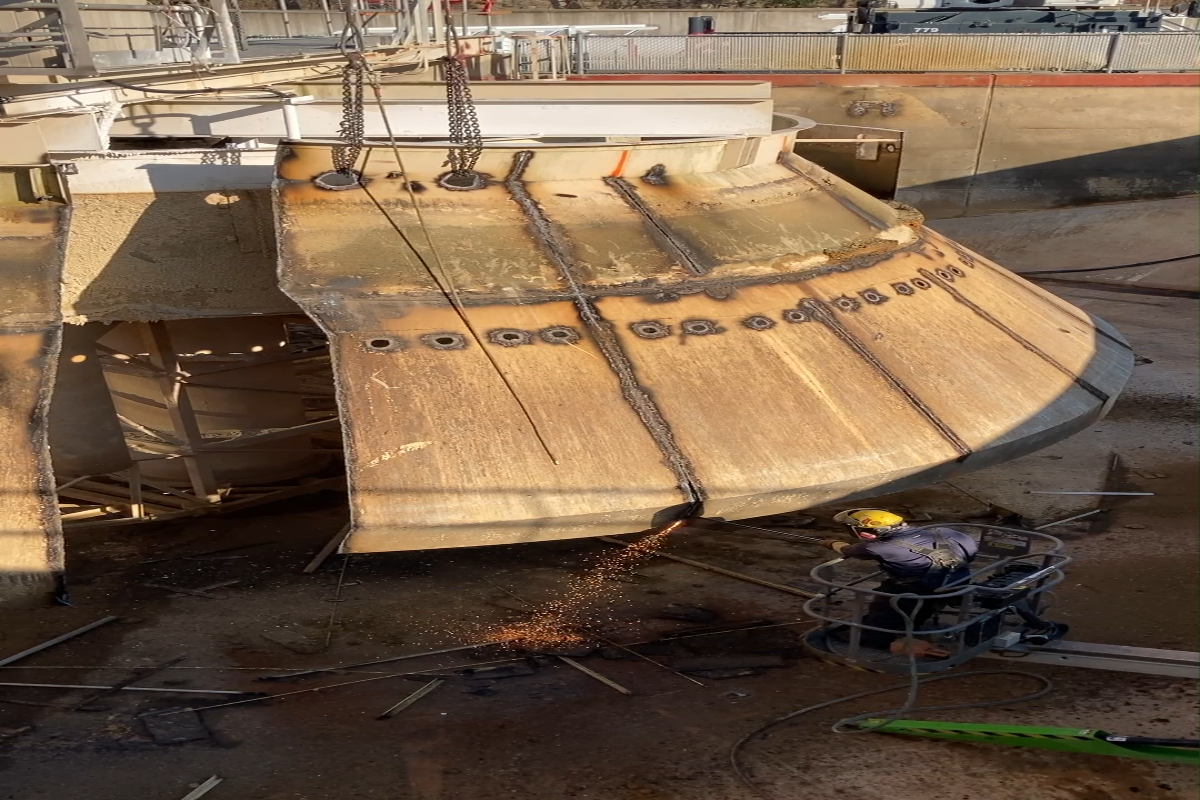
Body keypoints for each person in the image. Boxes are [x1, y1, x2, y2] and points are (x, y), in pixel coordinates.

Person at [823, 509, 978, 657]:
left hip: (914, 589)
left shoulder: (879, 547)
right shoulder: (946, 532)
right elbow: (971, 552)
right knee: (925, 606)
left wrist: (832, 543)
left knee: (884, 605)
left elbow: (847, 549)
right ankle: (910, 626)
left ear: (865, 532)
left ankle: (874, 639)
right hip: (956, 581)